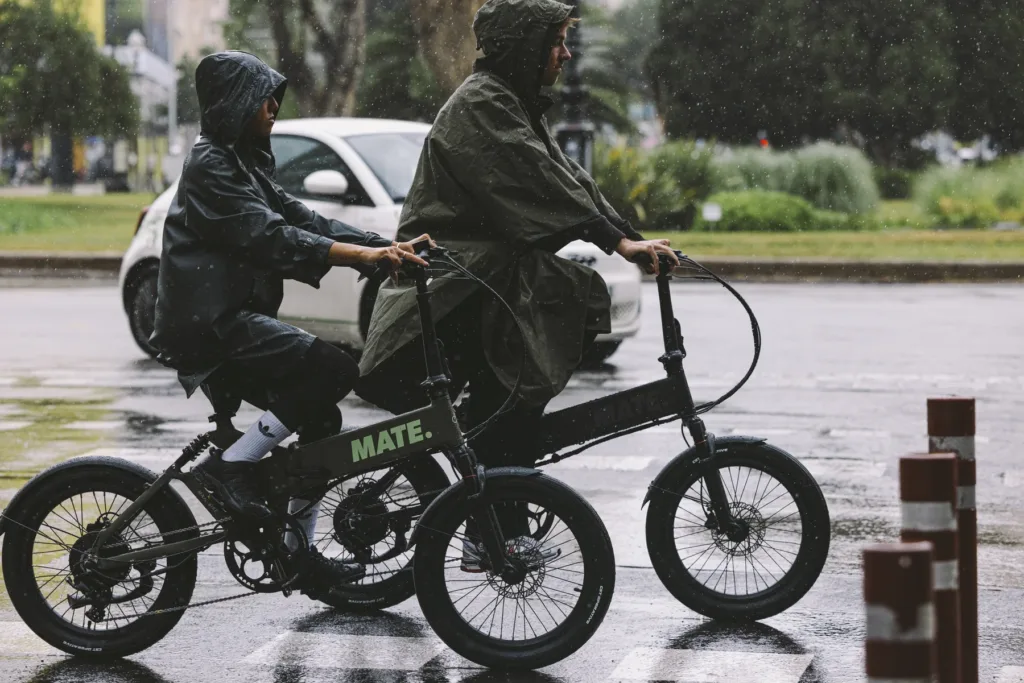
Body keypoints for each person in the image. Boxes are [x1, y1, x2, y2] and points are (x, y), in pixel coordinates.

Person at [356, 0, 678, 569]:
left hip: (483, 285)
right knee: (509, 396)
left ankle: (497, 507)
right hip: (450, 291)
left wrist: (629, 237)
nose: (566, 53)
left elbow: (567, 178)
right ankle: (490, 528)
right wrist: (620, 244)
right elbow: (535, 179)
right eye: (556, 41)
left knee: (519, 390)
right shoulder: (482, 104)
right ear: (524, 47)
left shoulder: (513, 104)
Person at [150, 50, 429, 592]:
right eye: (263, 97)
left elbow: (303, 217)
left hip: (233, 317)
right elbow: (269, 236)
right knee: (332, 370)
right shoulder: (211, 165)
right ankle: (231, 468)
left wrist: (384, 244)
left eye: (276, 96)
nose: (274, 106)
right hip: (211, 324)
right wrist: (363, 261)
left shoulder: (242, 162)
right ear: (236, 103)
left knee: (322, 423)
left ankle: (295, 553)